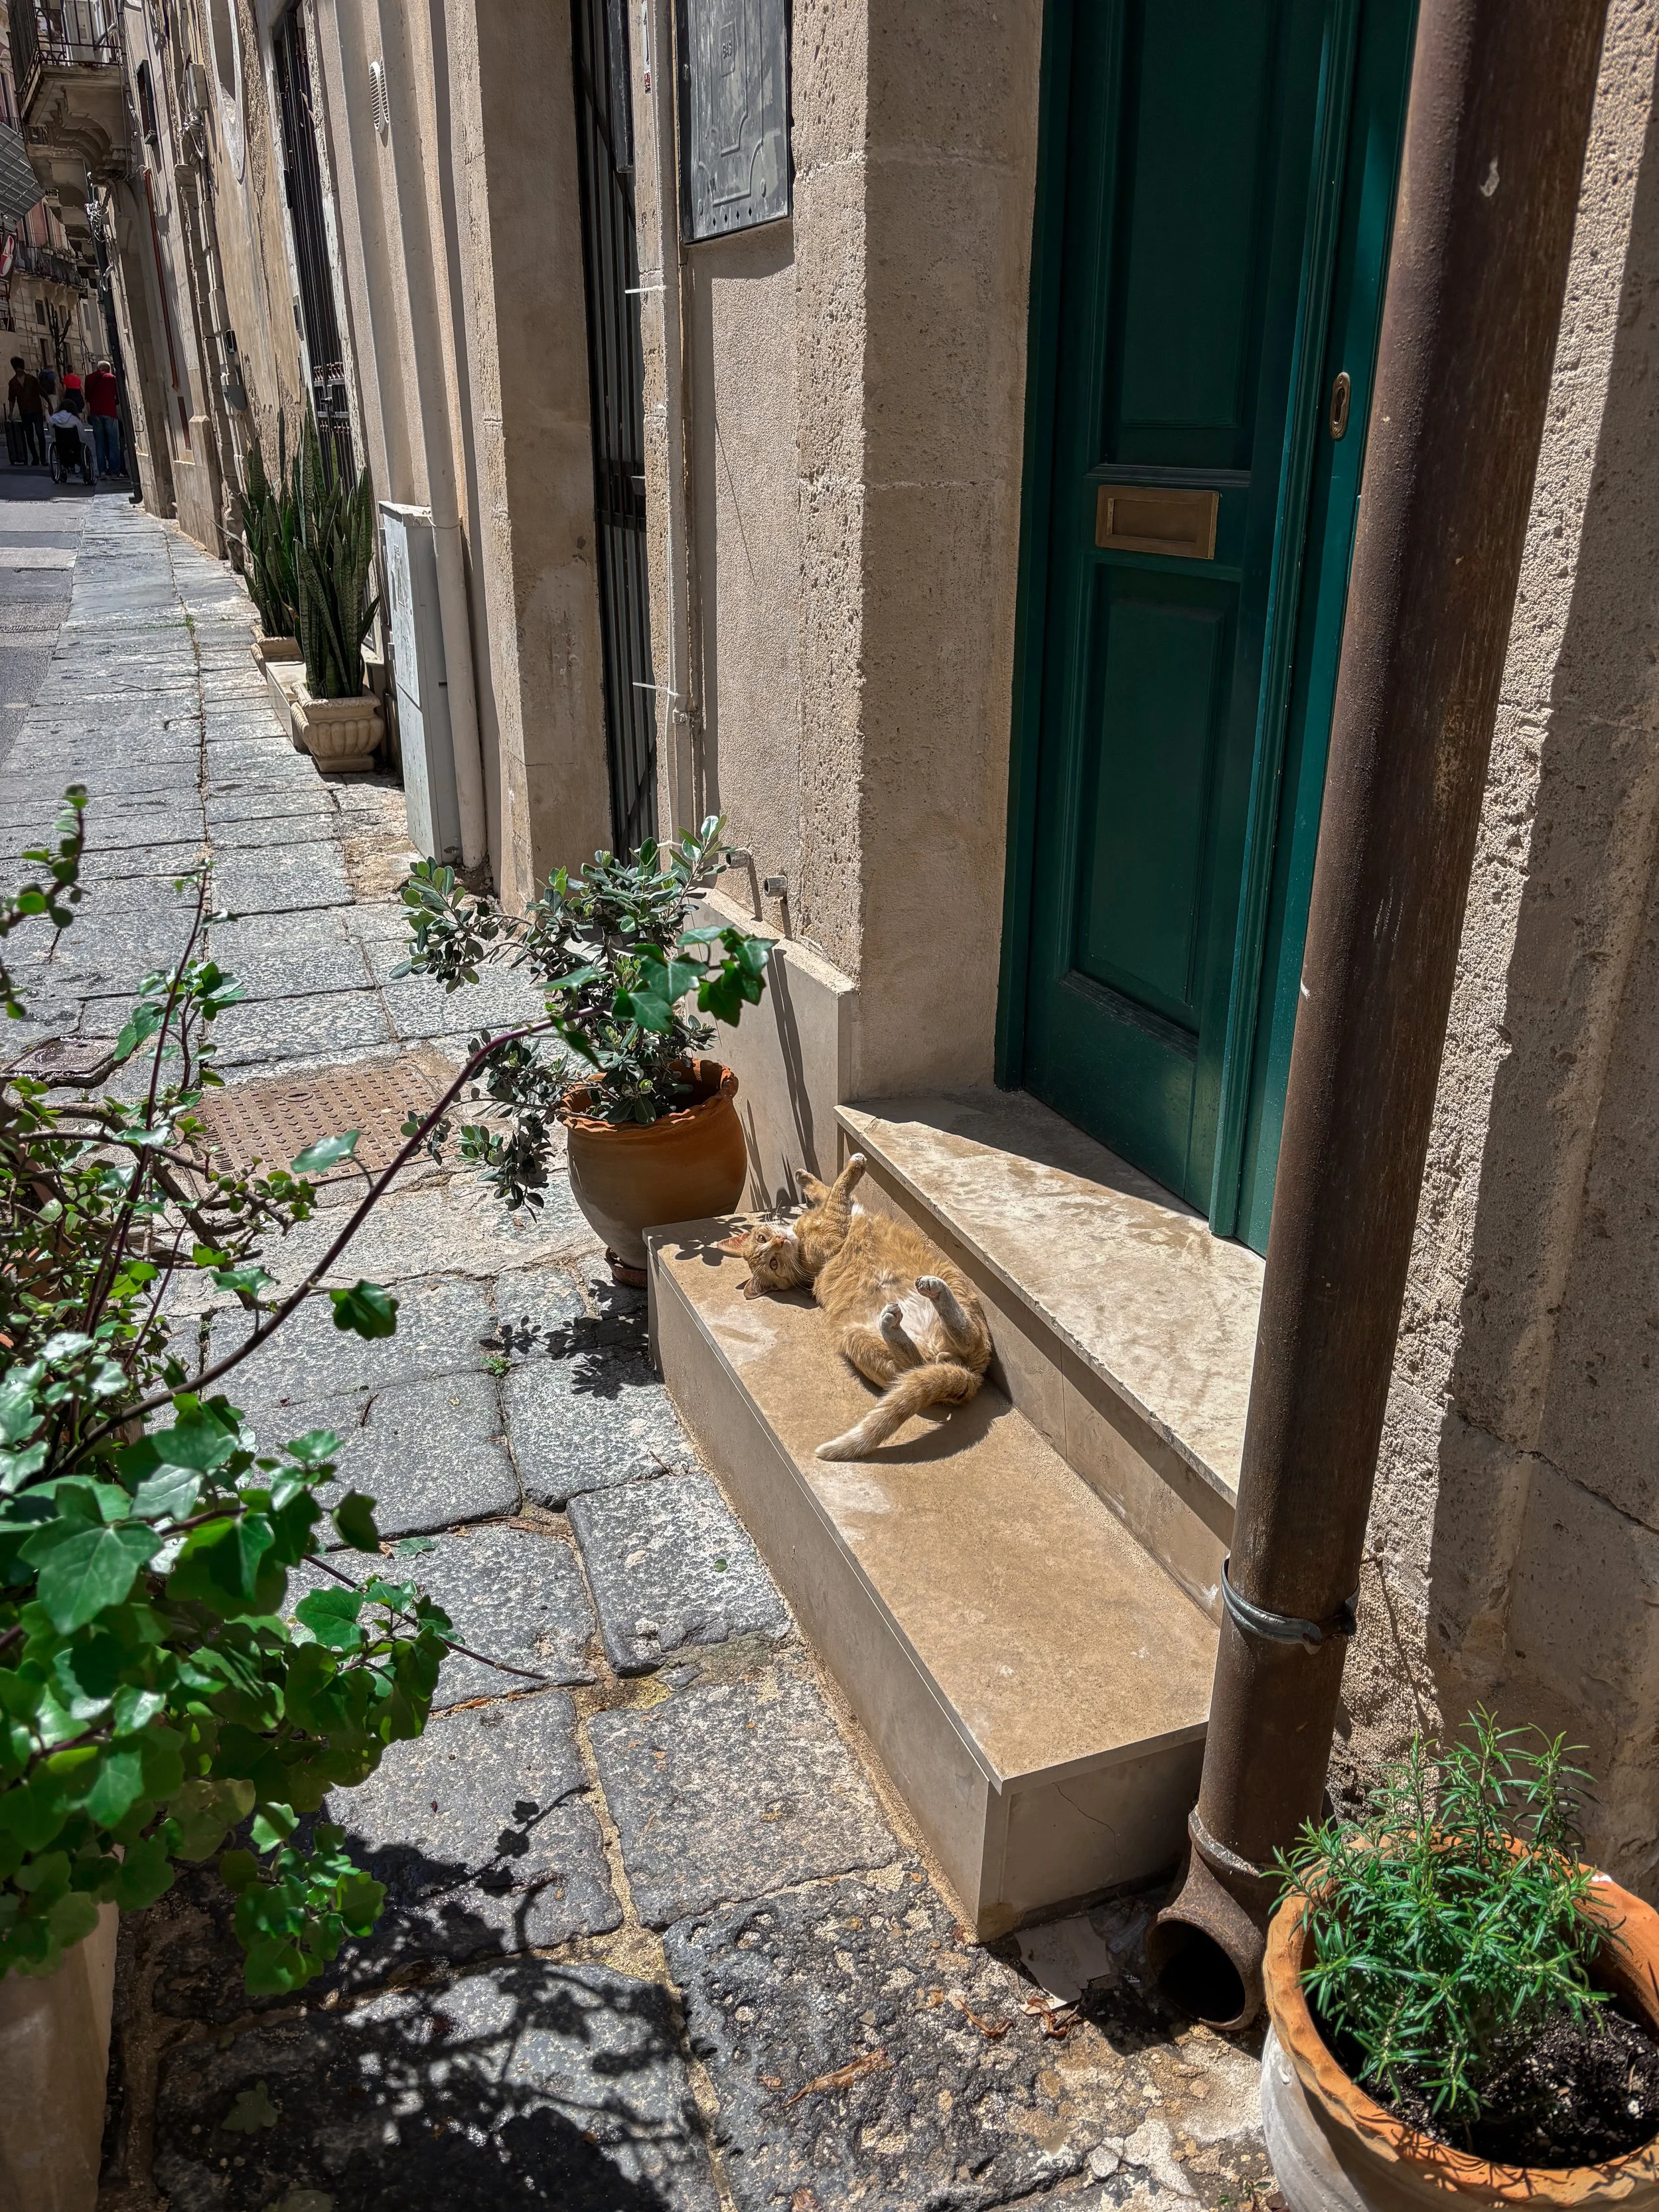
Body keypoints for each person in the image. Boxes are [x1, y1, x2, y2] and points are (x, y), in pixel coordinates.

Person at [86, 358, 121, 477]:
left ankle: (101, 471)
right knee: (113, 442)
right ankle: (114, 470)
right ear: (108, 369)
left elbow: (88, 397)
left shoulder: (89, 378)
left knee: (99, 443)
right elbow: (118, 397)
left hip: (95, 413)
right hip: (110, 412)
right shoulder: (111, 378)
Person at [6, 356, 42, 466]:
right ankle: (35, 458)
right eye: (17, 368)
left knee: (40, 433)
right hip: (25, 411)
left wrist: (49, 404)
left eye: (20, 368)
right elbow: (12, 399)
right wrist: (11, 413)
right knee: (29, 436)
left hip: (36, 410)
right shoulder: (12, 383)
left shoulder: (31, 379)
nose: (19, 370)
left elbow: (42, 391)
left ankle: (44, 457)